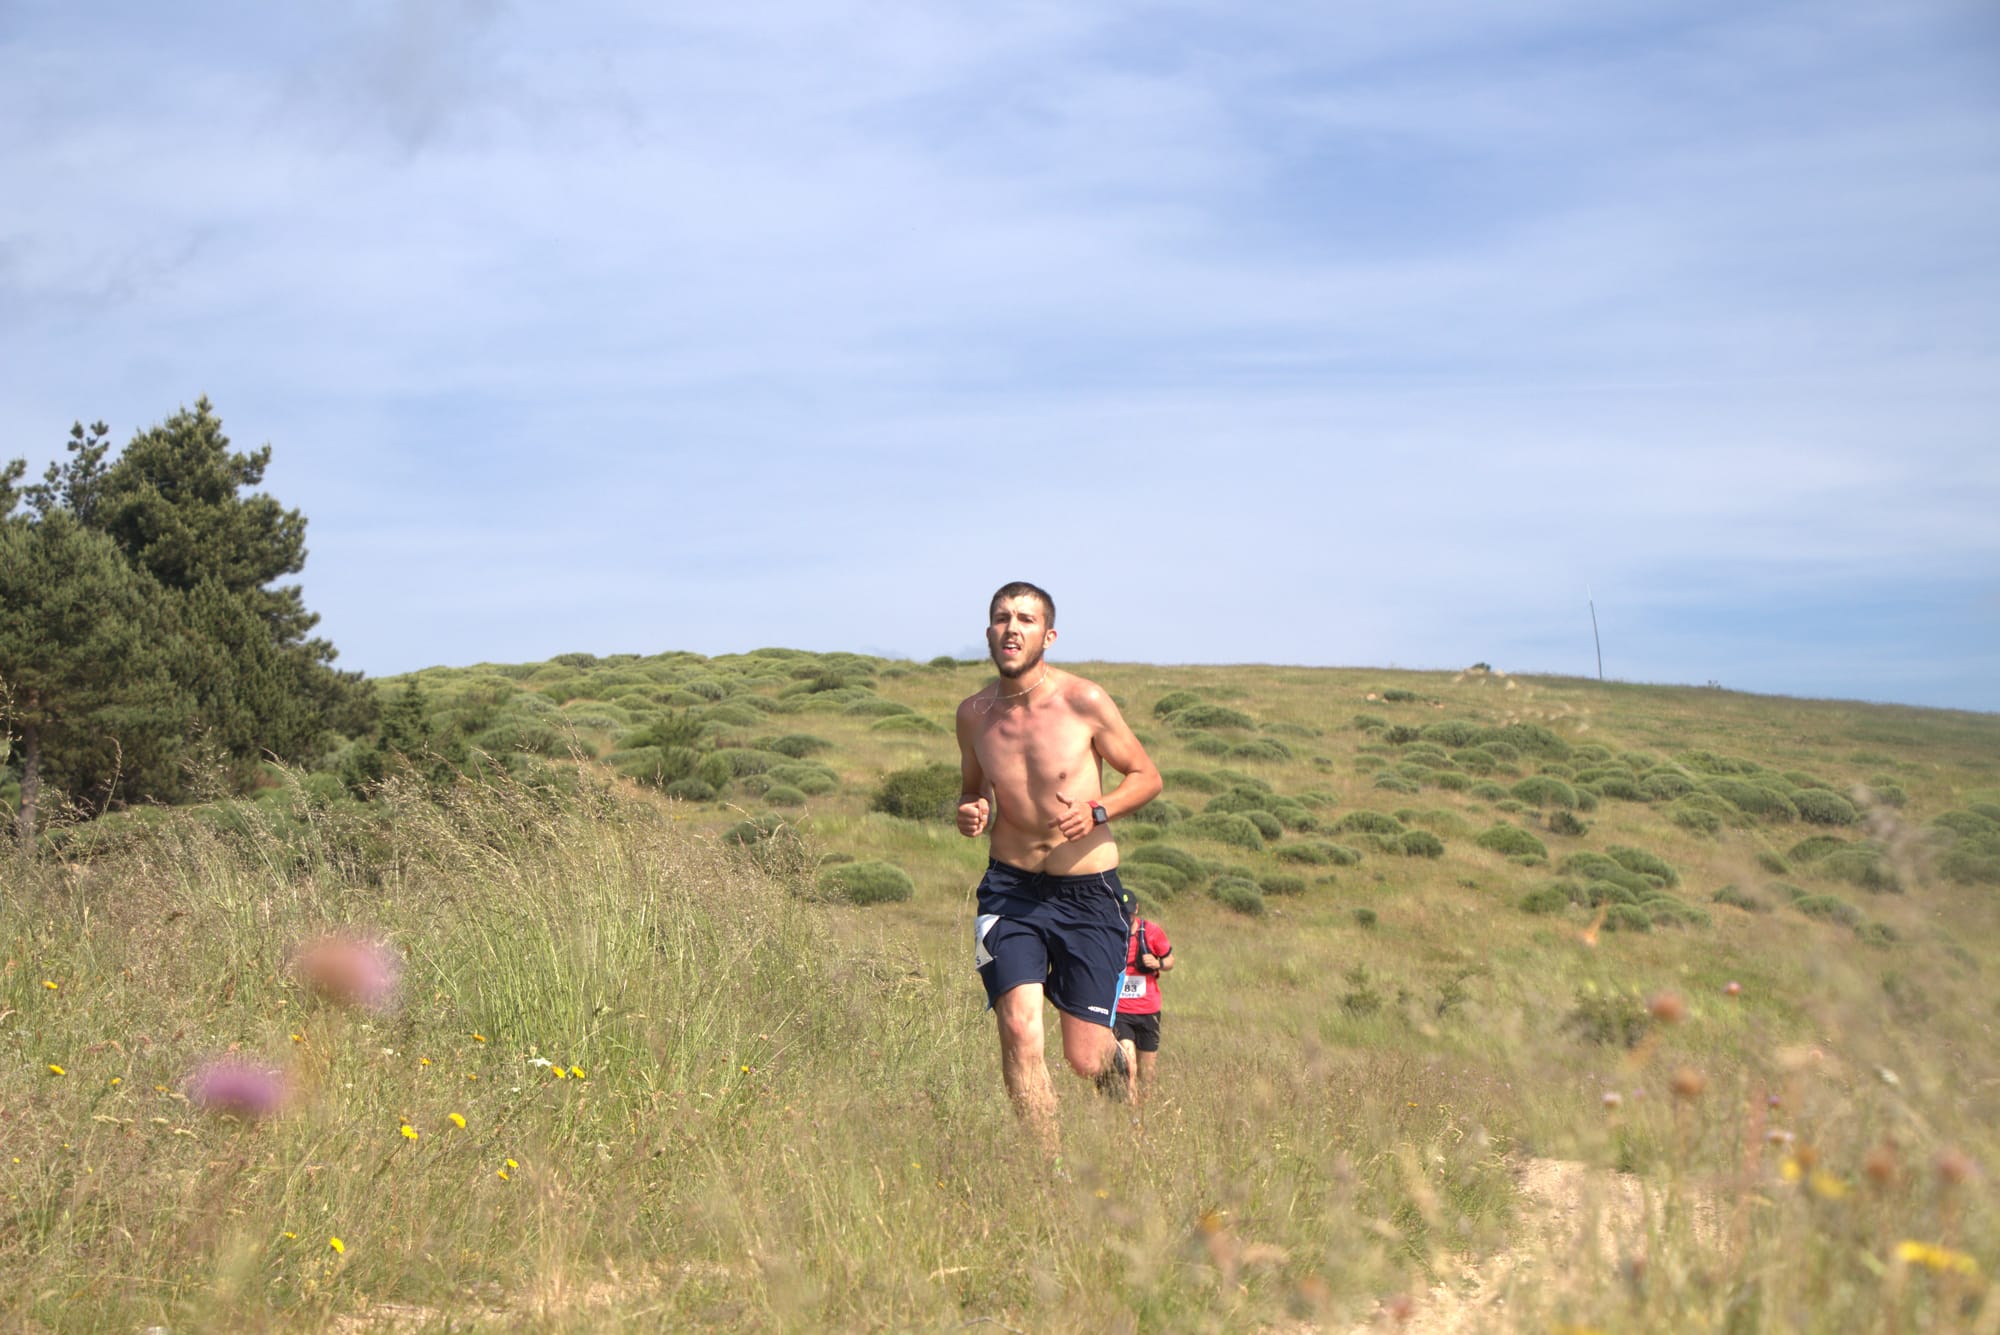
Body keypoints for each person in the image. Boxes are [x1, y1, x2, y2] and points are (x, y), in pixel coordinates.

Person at [956, 580, 1163, 1153]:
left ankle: (1128, 1126)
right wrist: (971, 809)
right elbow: (973, 790)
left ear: (1048, 636)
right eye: (1002, 618)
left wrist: (1099, 810)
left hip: (1087, 893)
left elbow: (1147, 776)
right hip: (1010, 892)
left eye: (1026, 619)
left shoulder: (1083, 700)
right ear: (989, 632)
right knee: (1019, 1028)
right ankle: (1048, 1171)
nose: (1012, 628)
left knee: (1086, 1057)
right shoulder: (973, 715)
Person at [1113, 914, 1174, 1105]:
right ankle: (1131, 1109)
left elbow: (1170, 960)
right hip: (1121, 1011)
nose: (1127, 916)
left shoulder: (1152, 932)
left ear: (1137, 909)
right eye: (1123, 911)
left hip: (1149, 1011)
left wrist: (1158, 963)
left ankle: (1144, 1107)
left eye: (1130, 912)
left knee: (1146, 1073)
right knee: (1128, 1065)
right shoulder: (1112, 930)